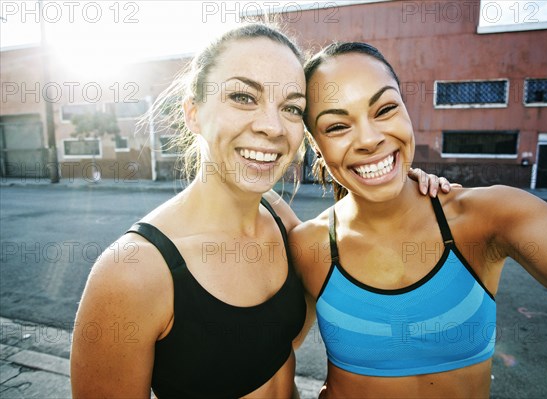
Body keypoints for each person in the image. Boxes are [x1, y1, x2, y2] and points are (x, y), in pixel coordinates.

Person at [69, 24, 450, 398]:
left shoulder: (281, 219)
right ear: (193, 113)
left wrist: (403, 183)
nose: (272, 126)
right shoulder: (132, 270)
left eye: (291, 108)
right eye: (243, 97)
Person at [290, 41, 547, 399]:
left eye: (385, 108)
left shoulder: (487, 216)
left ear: (407, 109)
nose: (369, 139)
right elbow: (266, 360)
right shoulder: (308, 245)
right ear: (315, 144)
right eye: (337, 126)